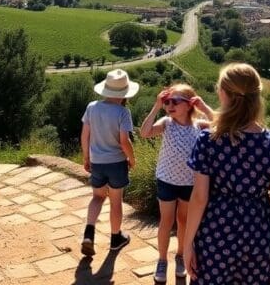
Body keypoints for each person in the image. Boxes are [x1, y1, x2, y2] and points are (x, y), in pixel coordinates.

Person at [183, 63, 270, 284]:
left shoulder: (208, 140)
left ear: (224, 94)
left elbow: (199, 198)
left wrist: (187, 244)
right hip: (257, 232)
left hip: (216, 231)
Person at [140, 83, 214, 284]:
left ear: (189, 105)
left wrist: (204, 107)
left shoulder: (199, 125)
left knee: (183, 221)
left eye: (175, 101)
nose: (170, 105)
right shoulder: (166, 123)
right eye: (167, 101)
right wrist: (156, 106)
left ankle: (180, 256)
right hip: (166, 180)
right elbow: (144, 133)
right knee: (166, 221)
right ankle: (162, 260)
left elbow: (222, 125)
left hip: (189, 183)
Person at [80, 68, 139, 257]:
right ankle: (115, 238)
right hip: (116, 163)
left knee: (97, 197)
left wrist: (86, 158)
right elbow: (124, 141)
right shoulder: (123, 112)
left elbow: (84, 136)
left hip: (97, 162)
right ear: (124, 93)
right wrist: (132, 159)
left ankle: (89, 233)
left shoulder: (92, 107)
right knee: (115, 201)